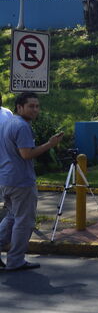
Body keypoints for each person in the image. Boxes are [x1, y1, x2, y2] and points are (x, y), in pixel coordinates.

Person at [0, 93, 63, 271]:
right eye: (31, 106)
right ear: (19, 107)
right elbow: (26, 154)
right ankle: (16, 260)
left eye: (37, 106)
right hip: (21, 181)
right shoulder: (22, 126)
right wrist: (50, 144)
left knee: (12, 216)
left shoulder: (8, 123)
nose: (35, 110)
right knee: (24, 221)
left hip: (6, 179)